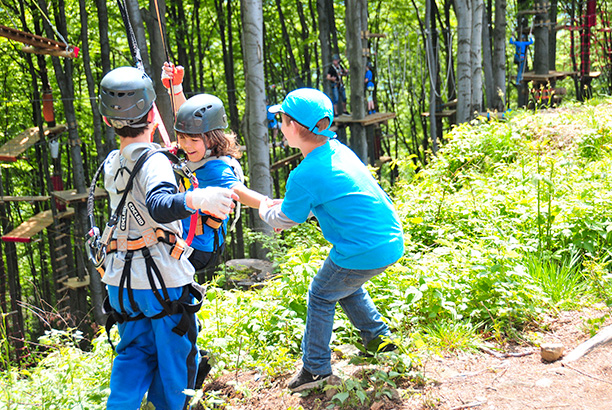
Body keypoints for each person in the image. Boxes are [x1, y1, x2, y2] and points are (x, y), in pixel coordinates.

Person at [97, 66, 238, 409]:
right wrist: (196, 199)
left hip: (122, 284)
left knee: (132, 357)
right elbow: (160, 204)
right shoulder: (157, 162)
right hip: (162, 283)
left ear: (106, 122)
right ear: (150, 113)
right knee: (176, 362)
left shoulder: (112, 162)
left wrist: (174, 92)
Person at [261, 88, 404, 393]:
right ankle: (380, 340)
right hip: (388, 238)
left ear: (295, 127)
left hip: (363, 247)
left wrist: (265, 210)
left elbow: (286, 220)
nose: (279, 126)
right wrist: (284, 205)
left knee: (321, 293)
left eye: (281, 120)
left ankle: (315, 370)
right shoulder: (337, 150)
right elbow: (330, 197)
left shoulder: (303, 174)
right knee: (343, 285)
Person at [162, 63, 268, 280]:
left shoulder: (214, 168)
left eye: (193, 140)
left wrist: (269, 205)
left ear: (212, 138)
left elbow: (238, 190)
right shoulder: (205, 153)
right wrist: (175, 89)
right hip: (195, 243)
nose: (186, 146)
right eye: (182, 138)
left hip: (195, 248)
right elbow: (188, 120)